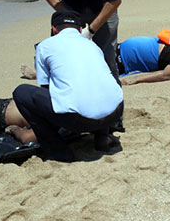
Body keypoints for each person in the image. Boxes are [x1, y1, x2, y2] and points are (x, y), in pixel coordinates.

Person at [12, 10, 124, 162]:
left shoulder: (44, 46)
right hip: (115, 112)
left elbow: (45, 90)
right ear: (79, 30)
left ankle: (58, 150)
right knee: (101, 82)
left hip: (79, 120)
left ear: (54, 29)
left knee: (22, 92)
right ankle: (102, 138)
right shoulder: (93, 46)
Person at [22, 34, 170, 86]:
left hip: (119, 61)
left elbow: (166, 75)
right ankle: (47, 58)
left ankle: (39, 74)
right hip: (116, 50)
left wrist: (137, 79)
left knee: (83, 67)